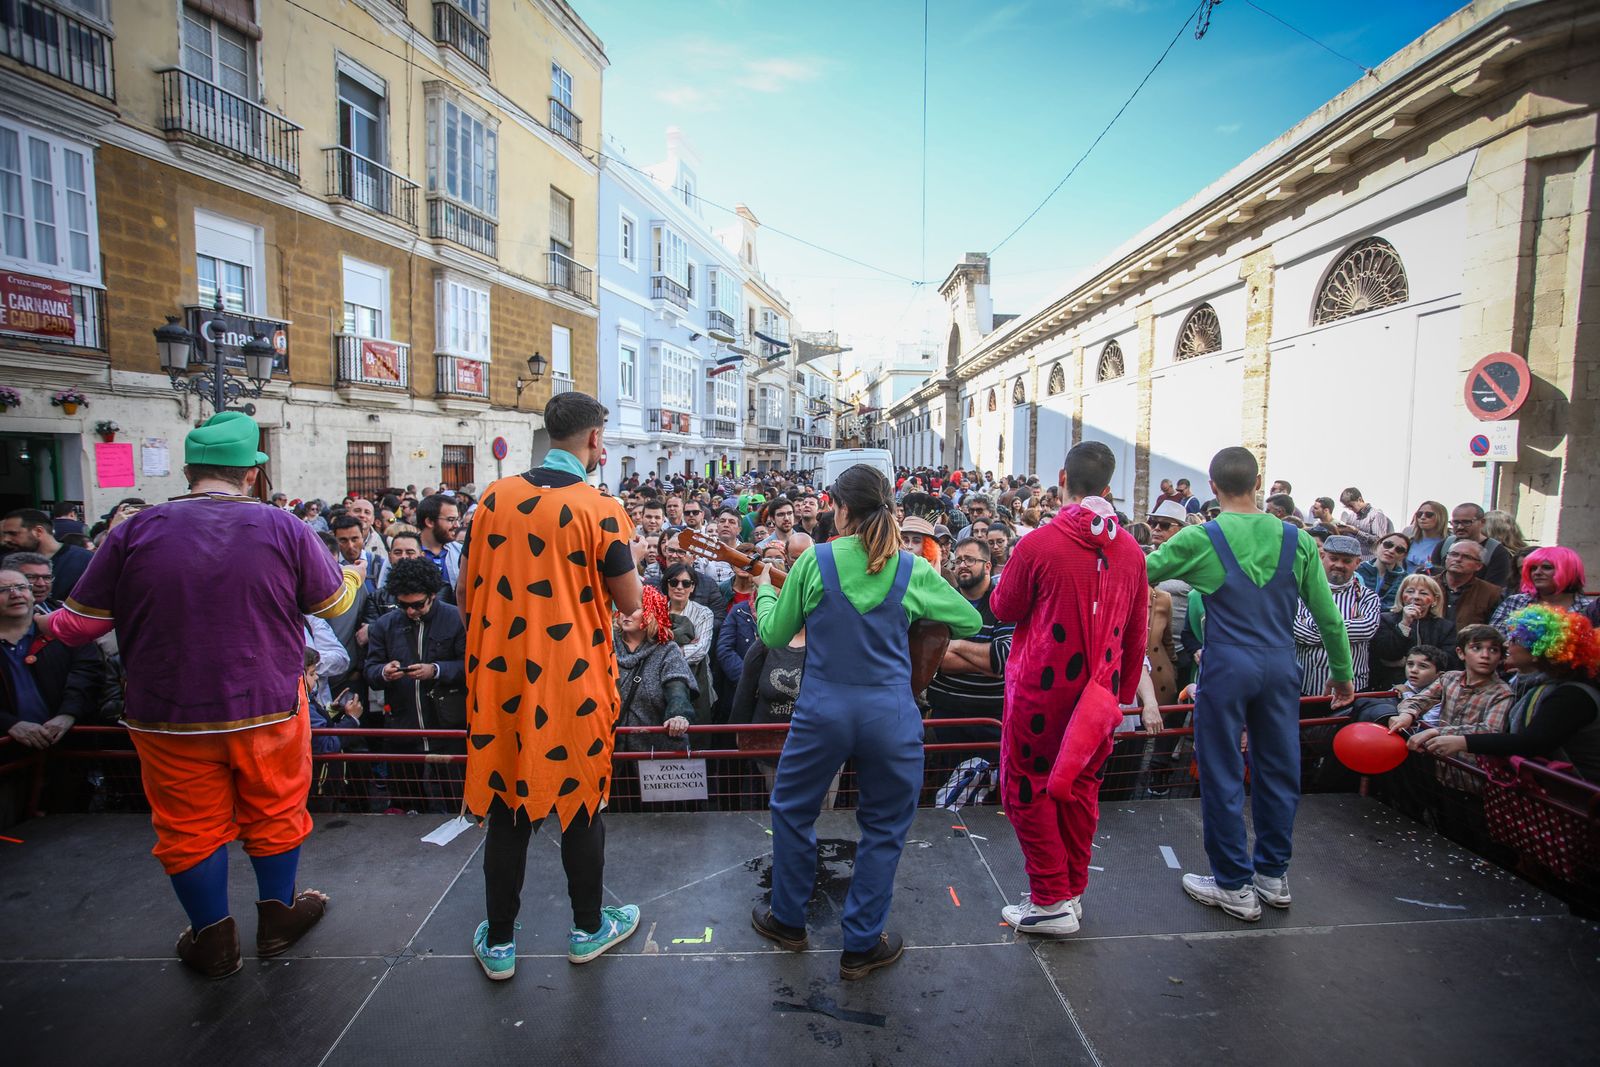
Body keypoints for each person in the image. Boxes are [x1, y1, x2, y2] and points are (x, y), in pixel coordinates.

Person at [39, 412, 364, 978]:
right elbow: (334, 606)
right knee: (276, 811)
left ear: (189, 470)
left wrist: (40, 627)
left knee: (188, 827)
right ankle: (279, 921)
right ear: (252, 475)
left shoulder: (133, 529)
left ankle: (214, 943)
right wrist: (355, 575)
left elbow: (79, 626)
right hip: (266, 704)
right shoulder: (284, 527)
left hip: (167, 713)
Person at [750, 464, 980, 979]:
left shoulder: (814, 561)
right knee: (883, 827)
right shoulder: (912, 568)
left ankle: (787, 920)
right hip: (890, 713)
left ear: (841, 508)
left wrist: (764, 590)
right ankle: (861, 944)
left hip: (822, 711)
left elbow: (773, 635)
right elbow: (970, 620)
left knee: (792, 810)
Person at [455, 391, 648, 981]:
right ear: (594, 439)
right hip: (576, 681)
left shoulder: (493, 498)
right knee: (582, 801)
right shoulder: (602, 510)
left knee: (509, 802)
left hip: (503, 677)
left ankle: (502, 944)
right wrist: (630, 556)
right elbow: (632, 602)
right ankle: (589, 929)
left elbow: (466, 595)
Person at [1146, 446, 1355, 922]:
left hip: (1226, 663)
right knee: (1279, 768)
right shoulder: (1297, 539)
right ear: (1258, 483)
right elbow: (1328, 616)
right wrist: (1341, 675)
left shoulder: (1201, 537)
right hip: (1280, 665)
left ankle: (1233, 884)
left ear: (1212, 488)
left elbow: (1139, 572)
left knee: (1221, 771)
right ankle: (1273, 876)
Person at [989, 442, 1150, 935]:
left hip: (1042, 694)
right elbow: (1137, 629)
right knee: (1081, 788)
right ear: (1108, 488)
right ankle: (1072, 891)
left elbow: (1003, 609)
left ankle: (1050, 897)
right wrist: (1121, 691)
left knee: (1026, 788)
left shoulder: (1038, 544)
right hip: (1098, 698)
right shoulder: (1131, 550)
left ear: (1062, 478)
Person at [1413, 607, 1600, 783]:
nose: (1506, 644)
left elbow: (1532, 742)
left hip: (1579, 797)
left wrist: (1461, 741)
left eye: (1515, 640)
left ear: (1537, 651)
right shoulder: (1533, 684)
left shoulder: (1572, 695)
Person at [364, 558, 466, 812]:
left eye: (418, 605)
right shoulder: (385, 625)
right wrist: (384, 672)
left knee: (456, 799)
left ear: (433, 595)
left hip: (447, 726)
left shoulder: (455, 619)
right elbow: (370, 668)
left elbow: (471, 666)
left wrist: (437, 670)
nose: (411, 611)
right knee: (408, 801)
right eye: (403, 605)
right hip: (403, 725)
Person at [925, 538, 1013, 766]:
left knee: (986, 790)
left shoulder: (1003, 603)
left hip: (991, 720)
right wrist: (986, 660)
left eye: (970, 559)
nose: (962, 564)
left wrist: (955, 646)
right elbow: (933, 659)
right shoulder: (943, 600)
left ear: (987, 566)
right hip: (947, 715)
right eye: (959, 559)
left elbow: (1003, 660)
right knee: (945, 788)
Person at [0, 566, 104, 753]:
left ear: (32, 595)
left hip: (69, 746)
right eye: (3, 590)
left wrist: (68, 714)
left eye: (22, 587)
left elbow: (88, 673)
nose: (15, 594)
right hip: (8, 752)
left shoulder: (64, 633)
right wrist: (9, 724)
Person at [1387, 625, 1512, 745]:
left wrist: (1437, 731)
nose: (1485, 655)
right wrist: (1406, 714)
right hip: (1440, 761)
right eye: (1476, 648)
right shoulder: (1450, 678)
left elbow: (1491, 730)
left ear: (1501, 657)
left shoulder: (1502, 693)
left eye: (1493, 650)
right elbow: (1421, 699)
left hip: (1472, 762)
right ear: (1461, 653)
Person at [612, 586, 696, 759]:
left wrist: (678, 714)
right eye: (622, 607)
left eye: (634, 608)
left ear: (651, 612)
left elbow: (677, 687)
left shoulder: (667, 650)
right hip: (612, 752)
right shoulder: (606, 645)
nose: (625, 613)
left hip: (655, 751)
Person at [1294, 535, 1382, 694]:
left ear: (1357, 563)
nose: (1339, 565)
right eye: (1333, 558)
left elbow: (1367, 629)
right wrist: (1341, 628)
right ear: (1322, 557)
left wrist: (1313, 624)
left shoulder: (1368, 597)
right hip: (1304, 683)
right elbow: (1297, 632)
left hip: (1352, 686)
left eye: (1347, 561)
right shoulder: (1299, 593)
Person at [1369, 575, 1459, 689]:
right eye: (1410, 591)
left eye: (1424, 593)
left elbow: (1449, 661)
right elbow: (1387, 655)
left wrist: (1407, 661)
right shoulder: (1385, 619)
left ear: (1434, 600)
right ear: (1402, 596)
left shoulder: (1446, 627)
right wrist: (1405, 623)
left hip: (1433, 689)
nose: (1416, 597)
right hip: (1390, 686)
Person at [1489, 547, 1595, 635]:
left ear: (1568, 571)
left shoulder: (1590, 609)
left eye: (1546, 567)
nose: (1537, 572)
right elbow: (1492, 641)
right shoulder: (1515, 602)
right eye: (1533, 568)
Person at [0, 508, 92, 604]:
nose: (6, 539)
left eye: (13, 534)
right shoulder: (6, 563)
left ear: (38, 531)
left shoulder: (85, 560)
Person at [663, 561, 715, 721]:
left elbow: (700, 650)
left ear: (692, 587)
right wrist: (685, 646)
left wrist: (665, 653)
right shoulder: (656, 611)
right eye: (674, 582)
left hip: (697, 680)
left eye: (686, 583)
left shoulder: (704, 613)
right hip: (660, 682)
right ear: (667, 585)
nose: (679, 587)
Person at [1434, 504, 1514, 590]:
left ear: (1482, 522)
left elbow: (1495, 589)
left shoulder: (1496, 552)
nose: (1460, 527)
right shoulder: (1444, 545)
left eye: (1467, 522)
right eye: (1456, 522)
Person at [1438, 540, 1503, 631]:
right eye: (1454, 554)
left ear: (1479, 566)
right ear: (1446, 558)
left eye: (1467, 557)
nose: (1458, 559)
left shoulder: (1491, 593)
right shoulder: (1426, 584)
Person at [416, 494, 463, 594]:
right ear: (429, 522)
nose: (457, 525)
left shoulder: (460, 552)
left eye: (457, 520)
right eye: (450, 520)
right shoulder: (404, 551)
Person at [1356, 532, 1411, 610]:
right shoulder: (1357, 570)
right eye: (1388, 545)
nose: (1391, 551)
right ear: (1379, 544)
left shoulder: (1405, 579)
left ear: (1404, 556)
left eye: (1399, 549)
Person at [1337, 488, 1393, 558]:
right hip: (1353, 559)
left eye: (1351, 505)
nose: (1350, 509)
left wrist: (1356, 532)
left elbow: (1379, 542)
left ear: (1360, 499)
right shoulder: (1351, 517)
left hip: (1370, 560)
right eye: (1347, 507)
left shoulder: (1376, 515)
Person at [1404, 501, 1449, 573]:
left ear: (1440, 517)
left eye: (1429, 514)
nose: (1422, 517)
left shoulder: (1447, 544)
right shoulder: (1409, 540)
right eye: (1419, 514)